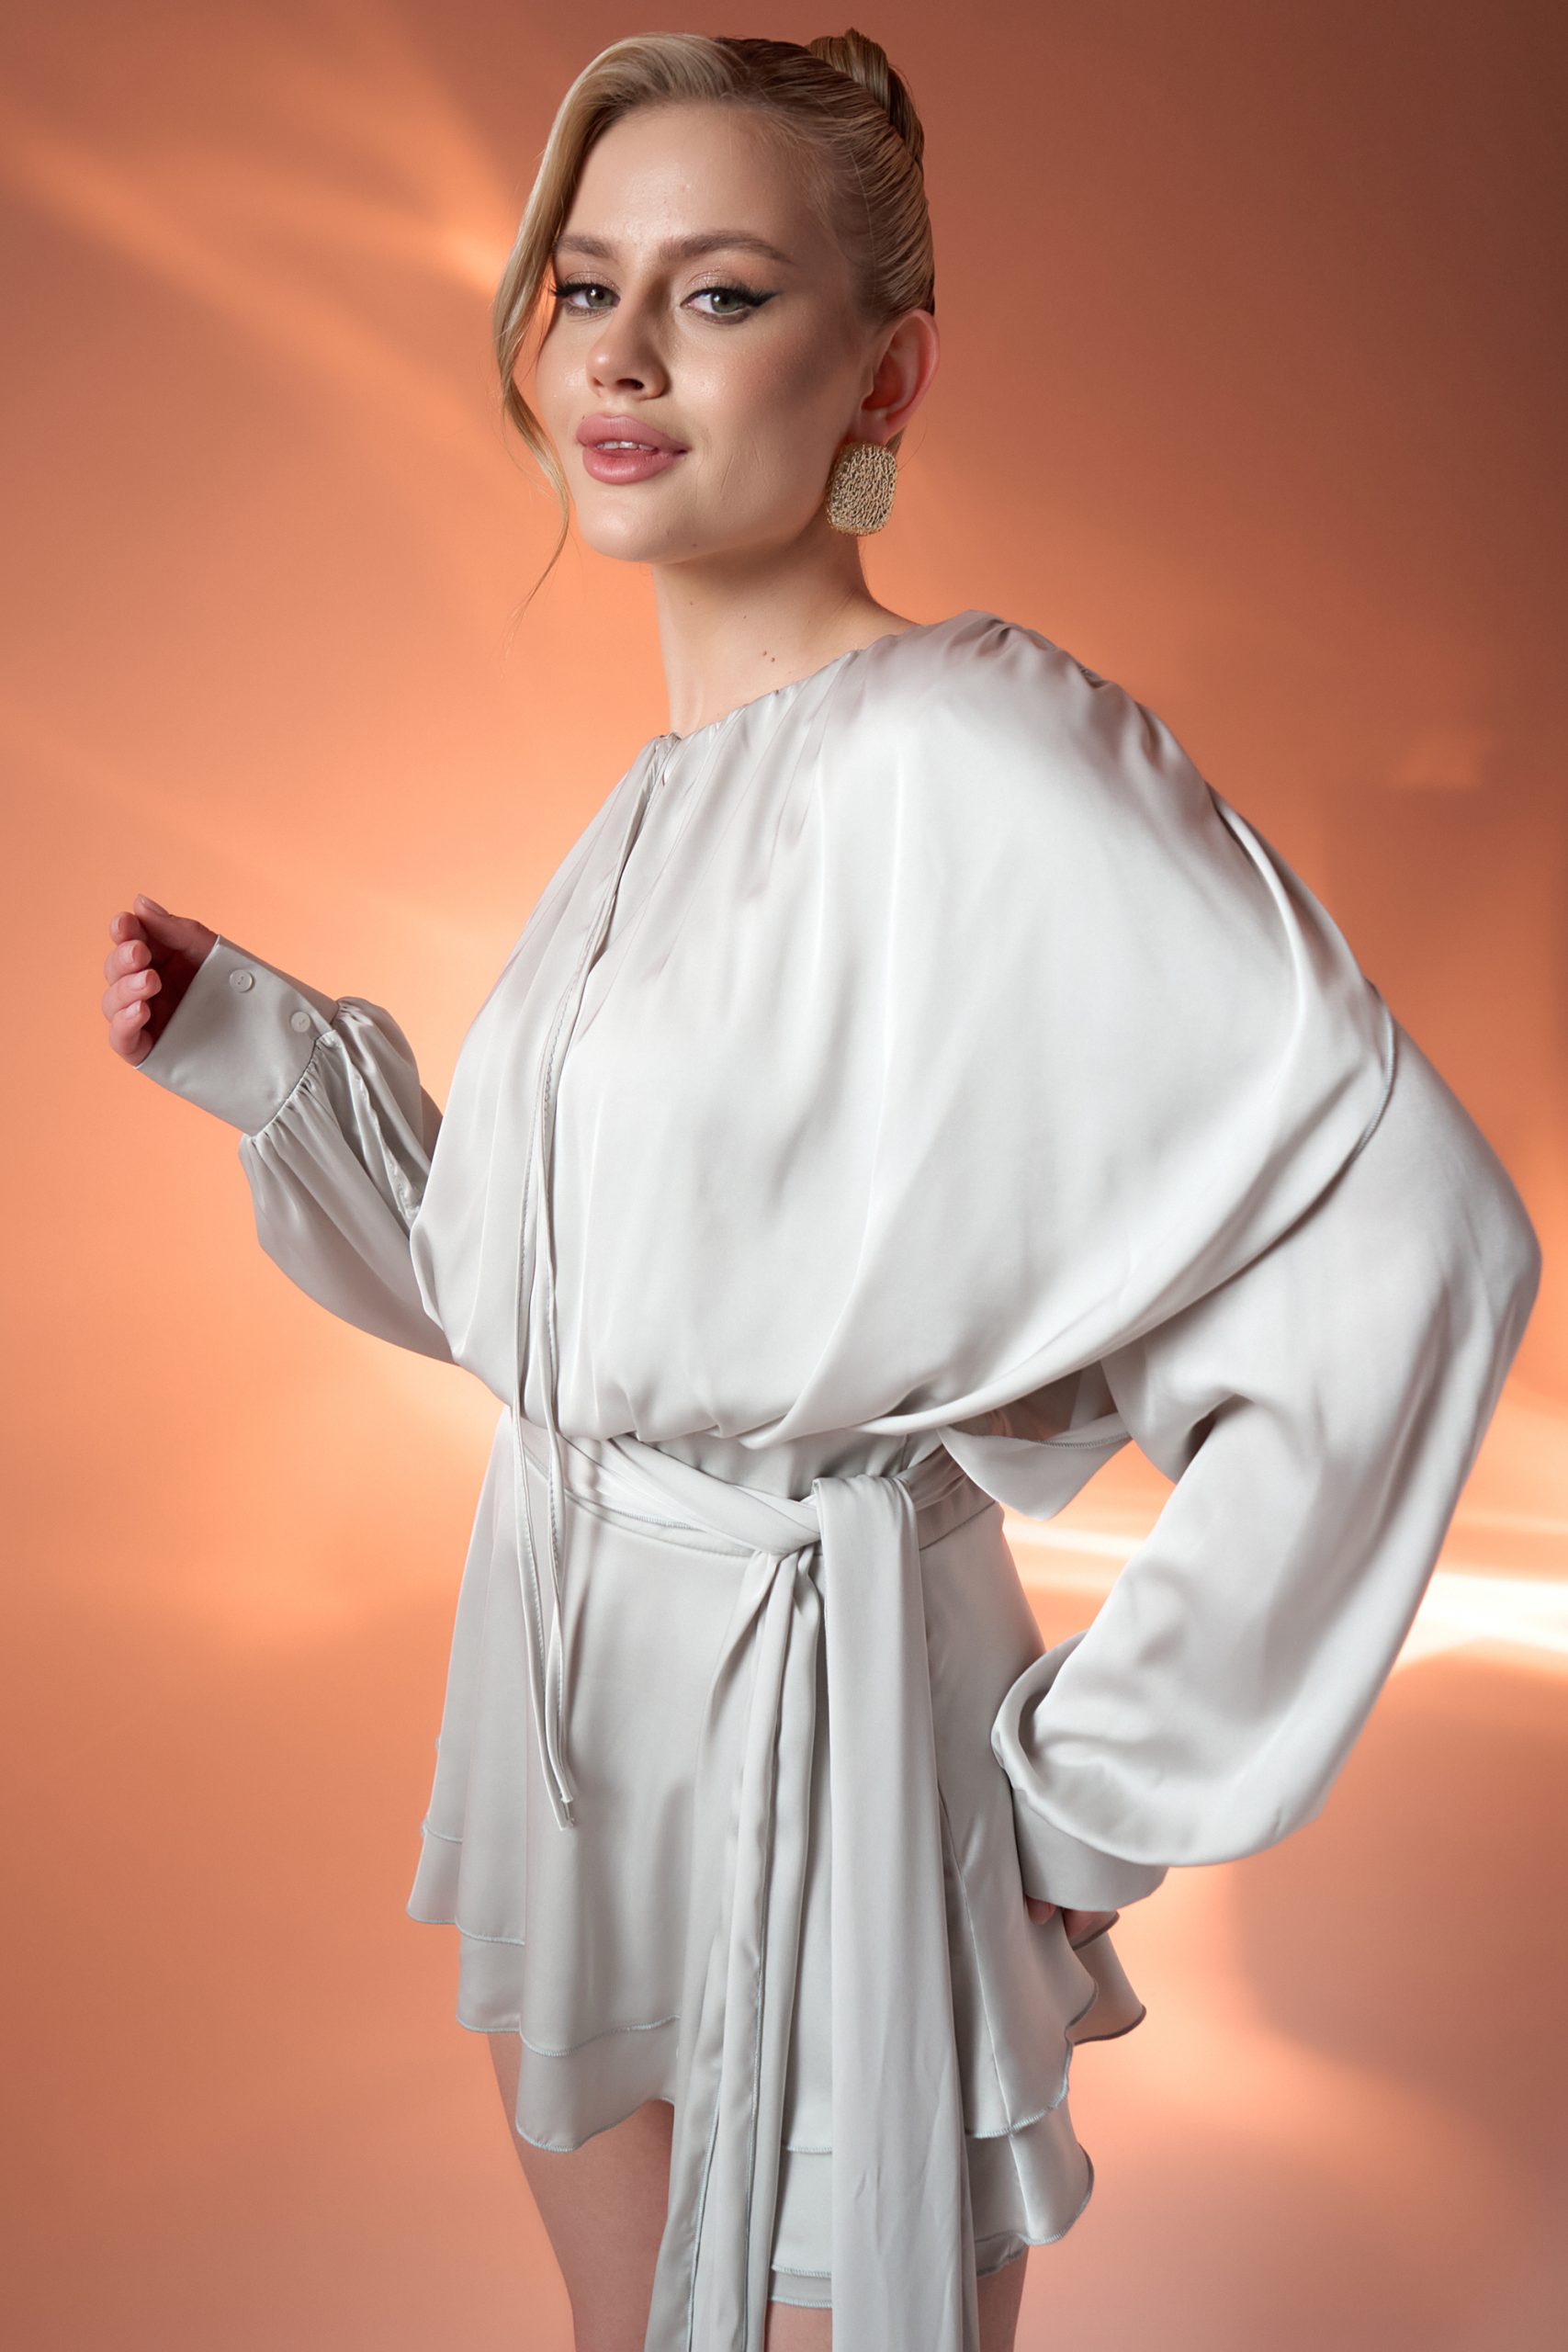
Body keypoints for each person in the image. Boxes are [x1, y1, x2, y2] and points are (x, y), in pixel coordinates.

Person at [103, 29, 1541, 2352]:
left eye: (719, 292)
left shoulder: (977, 744)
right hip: (569, 1695)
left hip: (823, 1722)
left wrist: (1085, 1792)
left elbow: (1417, 1246)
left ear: (886, 372)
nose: (622, 355)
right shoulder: (653, 801)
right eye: (587, 286)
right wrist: (274, 1064)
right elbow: (579, 1325)